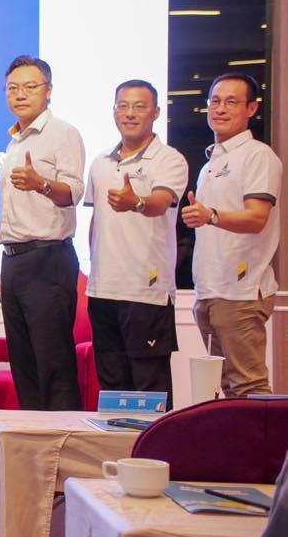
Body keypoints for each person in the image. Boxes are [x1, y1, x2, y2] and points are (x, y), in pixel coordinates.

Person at [85, 80, 187, 405]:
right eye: (123, 105)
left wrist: (137, 202)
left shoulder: (169, 159)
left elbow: (160, 202)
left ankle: (155, 441)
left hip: (146, 291)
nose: (130, 113)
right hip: (102, 290)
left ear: (155, 112)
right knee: (112, 386)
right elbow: (97, 221)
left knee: (150, 388)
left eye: (140, 106)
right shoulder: (100, 162)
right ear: (114, 110)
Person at [182, 72, 281, 397]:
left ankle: (265, 436)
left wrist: (211, 215)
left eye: (231, 102)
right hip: (210, 289)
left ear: (251, 108)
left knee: (249, 387)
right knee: (225, 388)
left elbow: (257, 218)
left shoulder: (258, 155)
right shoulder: (211, 162)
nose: (220, 109)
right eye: (215, 101)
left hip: (240, 292)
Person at [0, 55, 86, 411]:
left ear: (48, 91)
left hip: (48, 258)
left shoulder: (63, 133)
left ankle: (63, 440)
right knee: (24, 365)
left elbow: (73, 193)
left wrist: (42, 184)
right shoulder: (14, 141)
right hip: (14, 260)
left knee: (54, 364)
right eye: (12, 88)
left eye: (30, 87)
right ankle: (33, 439)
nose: (20, 94)